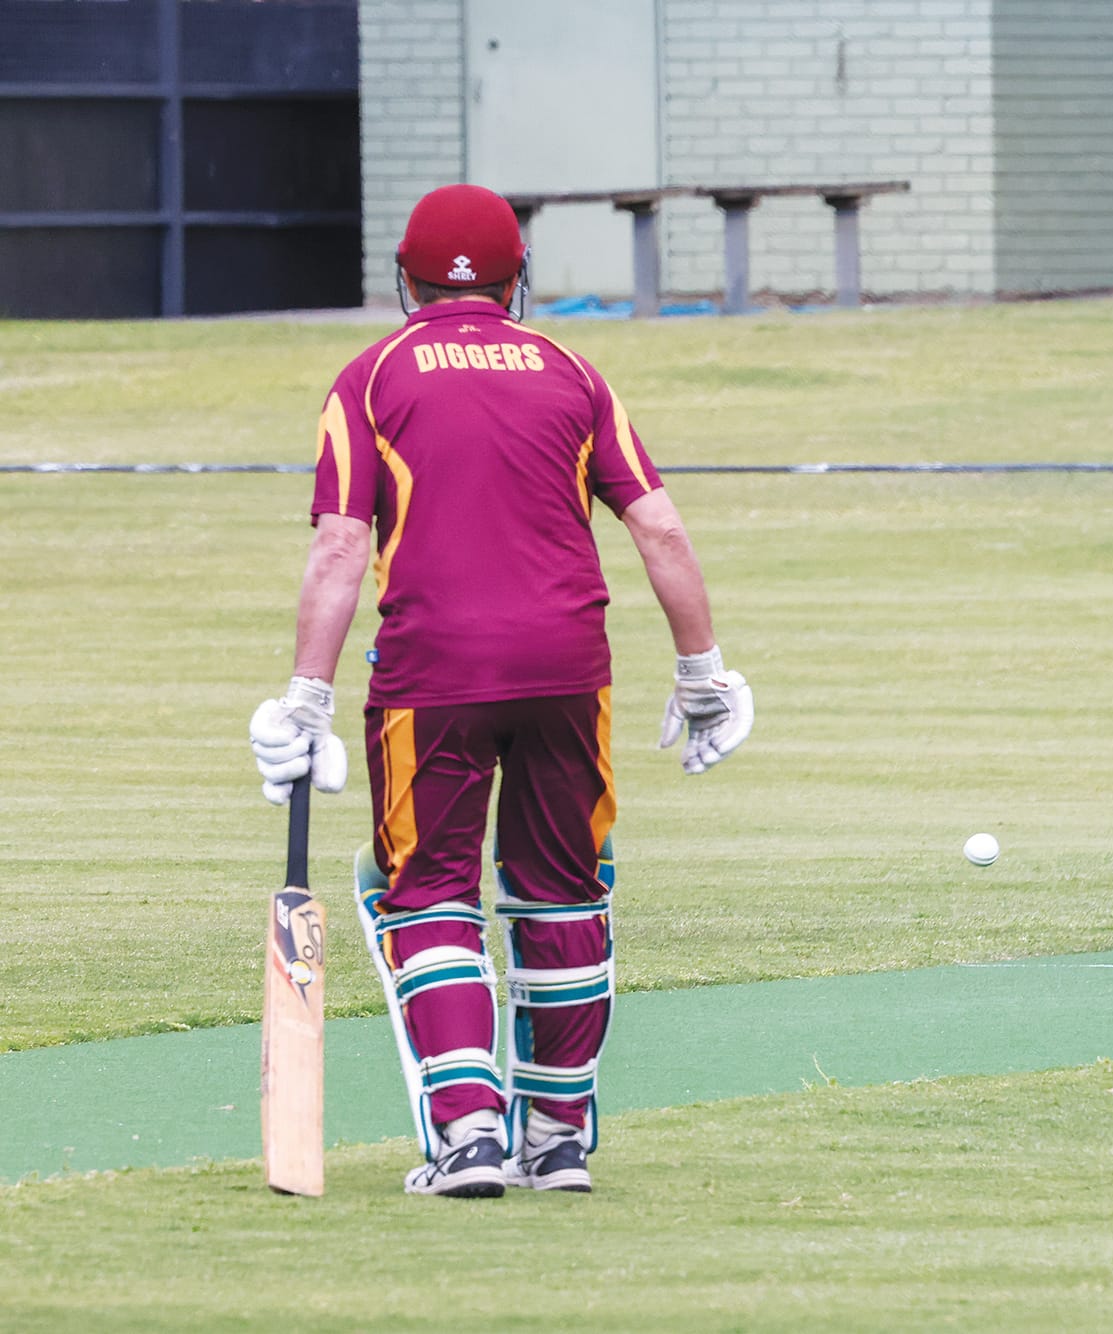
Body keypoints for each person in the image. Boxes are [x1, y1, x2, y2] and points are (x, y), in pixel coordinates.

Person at [248, 183, 753, 1196]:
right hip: (570, 666)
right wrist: (702, 672)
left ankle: (469, 1131)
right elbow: (658, 528)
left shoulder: (371, 373)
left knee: (428, 891)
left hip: (433, 672)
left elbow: (343, 544)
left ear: (407, 278)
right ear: (520, 279)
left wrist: (304, 696)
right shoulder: (573, 368)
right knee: (562, 889)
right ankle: (556, 1141)